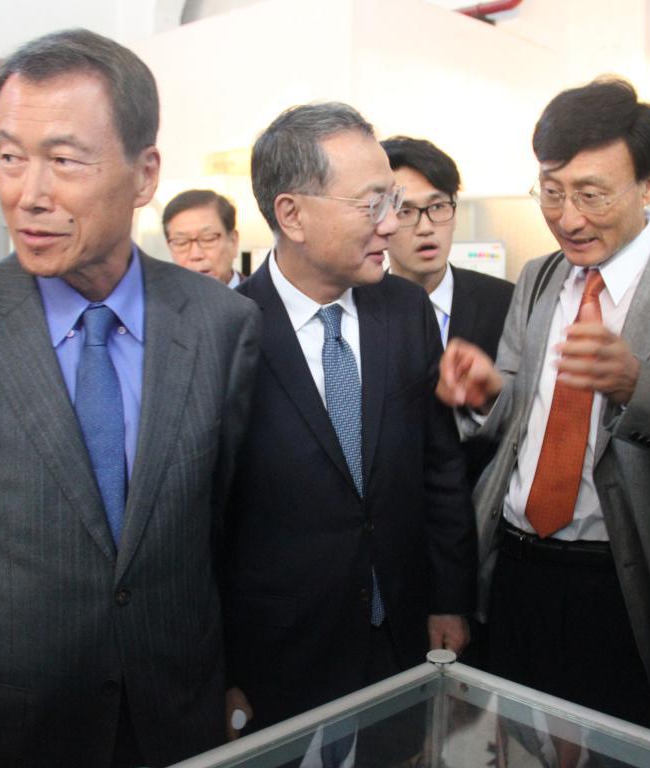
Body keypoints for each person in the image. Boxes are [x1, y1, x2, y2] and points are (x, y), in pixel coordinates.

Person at [0, 29, 260, 768]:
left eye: (64, 160)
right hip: (8, 723)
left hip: (173, 711)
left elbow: (217, 519)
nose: (30, 194)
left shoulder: (222, 326)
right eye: (11, 156)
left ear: (145, 174)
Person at [436, 78, 650, 728]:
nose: (568, 218)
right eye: (551, 191)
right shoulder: (540, 277)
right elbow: (521, 411)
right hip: (517, 566)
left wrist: (637, 387)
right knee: (517, 741)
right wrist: (488, 391)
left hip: (621, 580)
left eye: (591, 195)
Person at [223, 102, 476, 737]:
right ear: (292, 215)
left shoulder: (405, 311)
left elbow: (440, 467)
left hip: (402, 638)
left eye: (394, 201)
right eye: (373, 204)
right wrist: (219, 668)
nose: (392, 224)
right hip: (280, 657)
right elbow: (203, 524)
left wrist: (449, 598)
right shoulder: (225, 334)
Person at [382, 136, 514, 488]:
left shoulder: (505, 302)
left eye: (438, 206)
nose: (426, 227)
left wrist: (488, 400)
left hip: (482, 497)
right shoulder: (360, 309)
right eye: (405, 211)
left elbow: (525, 417)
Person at [162, 189, 244, 287]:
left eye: (208, 239)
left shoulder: (258, 296)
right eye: (181, 242)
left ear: (233, 242)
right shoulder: (156, 296)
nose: (196, 255)